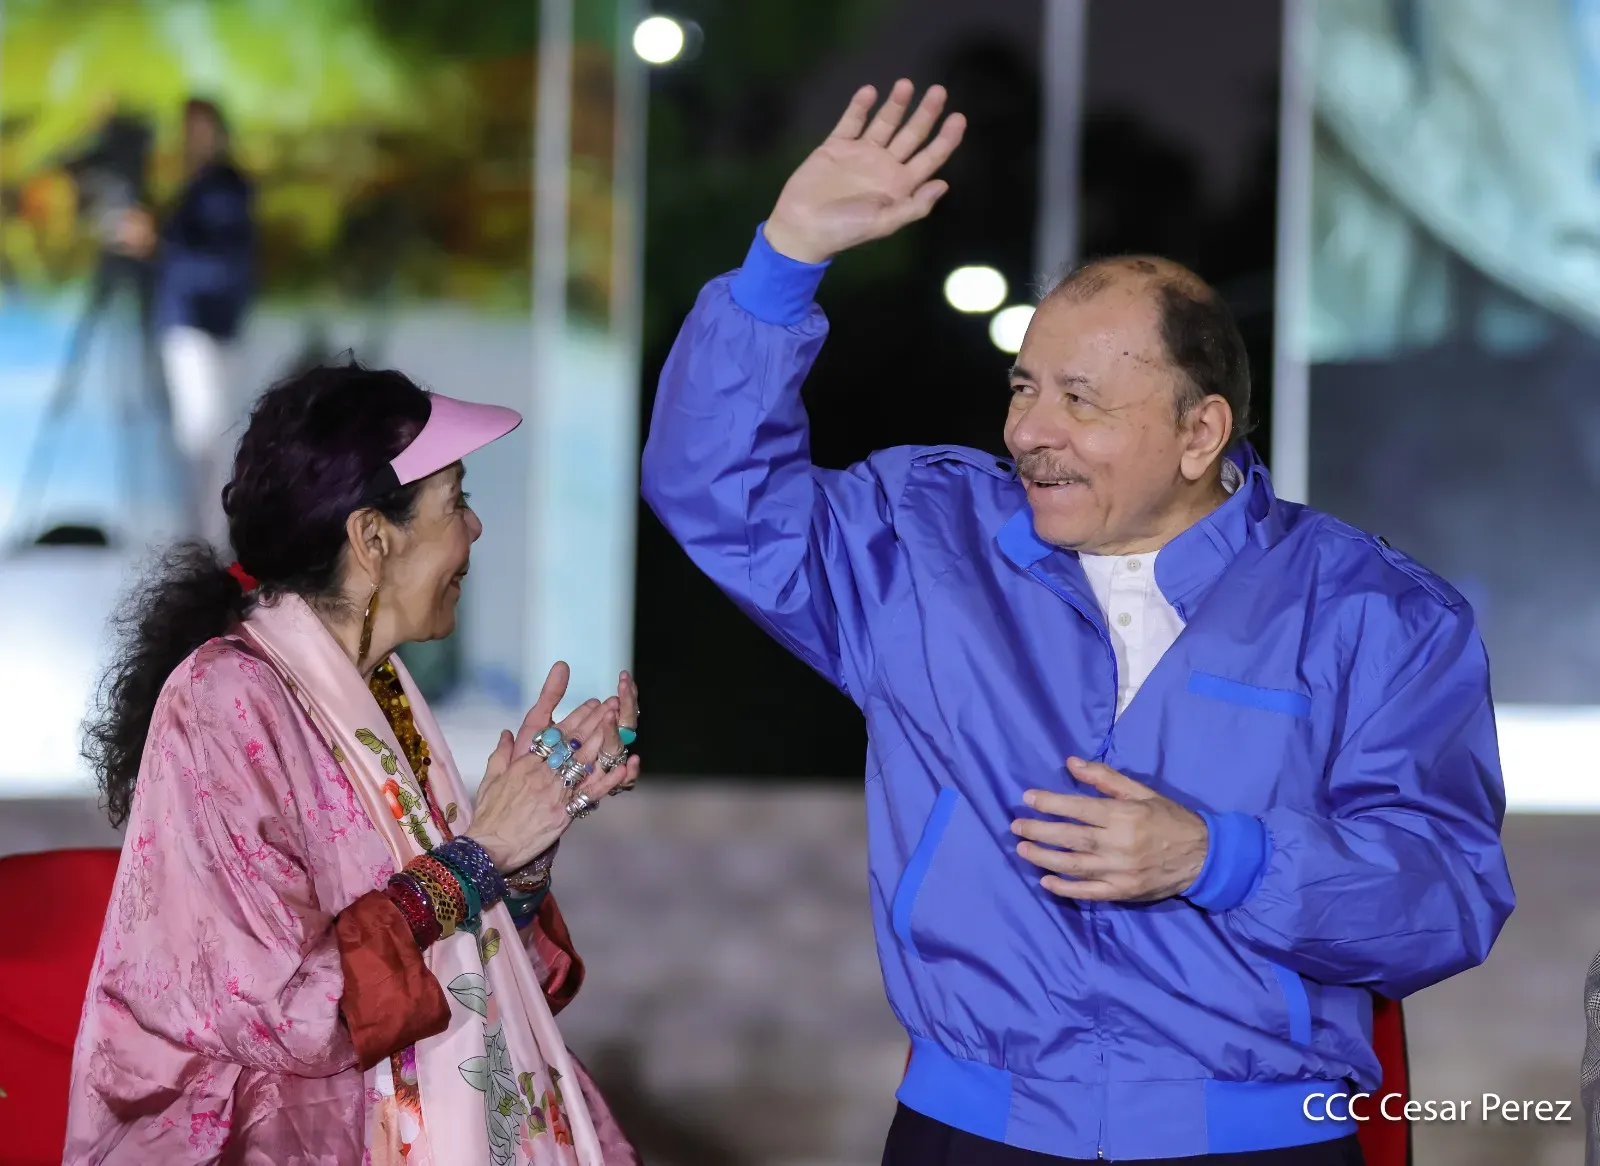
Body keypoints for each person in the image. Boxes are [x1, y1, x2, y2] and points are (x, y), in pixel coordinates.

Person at [641, 80, 1515, 1164]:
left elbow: (1443, 902)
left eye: (1079, 400)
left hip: (1257, 1139)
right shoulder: (925, 542)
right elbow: (711, 488)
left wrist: (1220, 856)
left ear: (1200, 433)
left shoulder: (1375, 613)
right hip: (972, 1130)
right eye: (1023, 387)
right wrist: (783, 261)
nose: (1028, 431)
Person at [68, 362, 642, 1165]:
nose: (475, 529)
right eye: (457, 503)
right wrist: (481, 854)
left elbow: (459, 951)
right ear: (373, 538)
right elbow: (288, 1005)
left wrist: (530, 829)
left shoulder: (380, 689)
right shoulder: (224, 699)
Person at [115, 97, 256, 549]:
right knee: (201, 439)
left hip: (204, 326)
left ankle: (207, 546)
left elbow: (225, 265)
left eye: (200, 130)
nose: (193, 141)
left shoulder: (223, 190)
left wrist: (158, 242)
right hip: (194, 325)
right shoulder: (193, 190)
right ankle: (204, 543)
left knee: (206, 440)